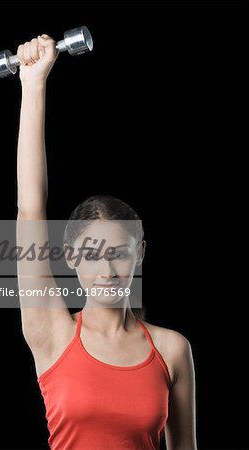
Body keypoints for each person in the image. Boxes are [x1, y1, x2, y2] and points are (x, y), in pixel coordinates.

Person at [16, 33, 197, 450]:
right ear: (71, 257)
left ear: (140, 254)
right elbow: (30, 211)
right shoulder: (53, 332)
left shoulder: (171, 349)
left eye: (118, 253)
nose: (107, 270)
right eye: (92, 254)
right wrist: (33, 83)